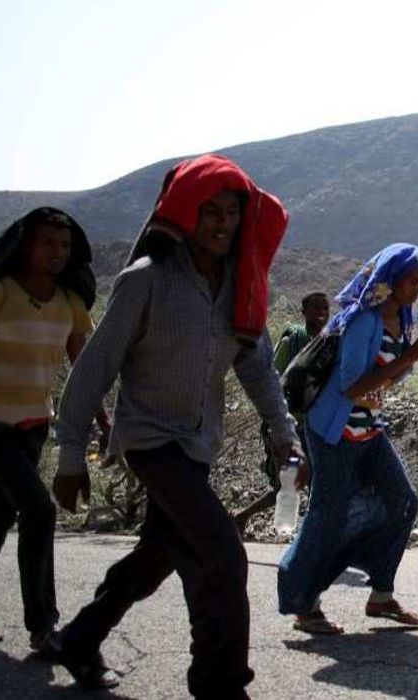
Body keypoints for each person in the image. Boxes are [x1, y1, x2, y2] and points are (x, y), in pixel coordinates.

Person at [52, 154, 301, 698]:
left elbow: (257, 366)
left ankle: (80, 637)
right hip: (149, 439)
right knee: (220, 556)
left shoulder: (243, 285)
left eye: (230, 212)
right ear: (185, 213)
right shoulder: (146, 281)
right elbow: (95, 368)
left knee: (161, 552)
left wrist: (284, 434)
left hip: (197, 444)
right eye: (208, 210)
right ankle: (220, 684)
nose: (219, 223)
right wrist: (70, 454)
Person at [277, 244, 418, 635]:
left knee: (402, 501)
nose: (416, 289)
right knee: (327, 515)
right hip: (335, 430)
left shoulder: (402, 318)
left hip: (369, 430)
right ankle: (303, 602)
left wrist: (417, 352)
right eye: (411, 281)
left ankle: (380, 594)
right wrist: (412, 354)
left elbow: (388, 378)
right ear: (390, 279)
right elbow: (351, 387)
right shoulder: (364, 321)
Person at [0, 208, 107, 653]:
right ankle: (43, 626)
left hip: (33, 427)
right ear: (26, 246)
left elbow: (85, 369)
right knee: (39, 510)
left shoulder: (69, 305)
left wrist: (103, 420)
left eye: (64, 245)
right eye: (47, 243)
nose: (57, 252)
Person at [233, 291, 330, 531]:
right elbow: (273, 377)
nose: (321, 312)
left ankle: (314, 532)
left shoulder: (328, 344)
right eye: (315, 307)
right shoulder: (292, 341)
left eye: (325, 307)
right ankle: (242, 517)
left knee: (317, 480)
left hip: (315, 426)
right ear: (303, 311)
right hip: (291, 426)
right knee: (289, 482)